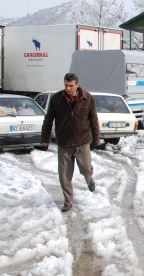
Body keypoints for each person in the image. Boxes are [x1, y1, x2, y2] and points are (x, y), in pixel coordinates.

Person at [41, 73, 100, 213]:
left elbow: (94, 120)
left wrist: (96, 139)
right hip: (64, 143)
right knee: (64, 176)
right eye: (66, 85)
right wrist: (45, 138)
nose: (68, 88)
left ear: (77, 85)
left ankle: (89, 177)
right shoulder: (57, 99)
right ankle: (68, 201)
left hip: (82, 141)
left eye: (71, 86)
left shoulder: (87, 98)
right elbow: (49, 119)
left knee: (85, 168)